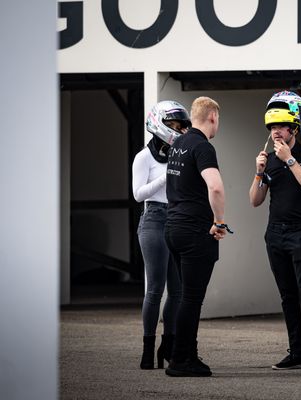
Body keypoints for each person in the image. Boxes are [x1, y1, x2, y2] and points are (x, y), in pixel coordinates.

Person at [249, 90, 301, 373]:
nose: (276, 132)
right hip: (275, 233)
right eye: (272, 127)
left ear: (294, 128)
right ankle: (297, 353)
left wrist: (289, 160)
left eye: (281, 127)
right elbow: (255, 200)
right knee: (287, 296)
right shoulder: (270, 158)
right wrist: (259, 172)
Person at [164, 96, 231, 377]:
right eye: (218, 119)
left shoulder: (177, 144)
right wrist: (219, 222)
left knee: (184, 297)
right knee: (191, 299)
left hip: (173, 227)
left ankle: (186, 355)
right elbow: (215, 187)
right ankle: (181, 360)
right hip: (194, 230)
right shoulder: (203, 147)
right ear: (213, 116)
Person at [133, 100, 190, 369]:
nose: (178, 130)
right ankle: (147, 347)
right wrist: (165, 176)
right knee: (155, 289)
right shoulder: (144, 157)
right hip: (154, 218)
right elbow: (138, 194)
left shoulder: (179, 153)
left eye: (181, 126)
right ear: (160, 124)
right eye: (174, 125)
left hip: (176, 217)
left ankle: (168, 346)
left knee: (177, 291)